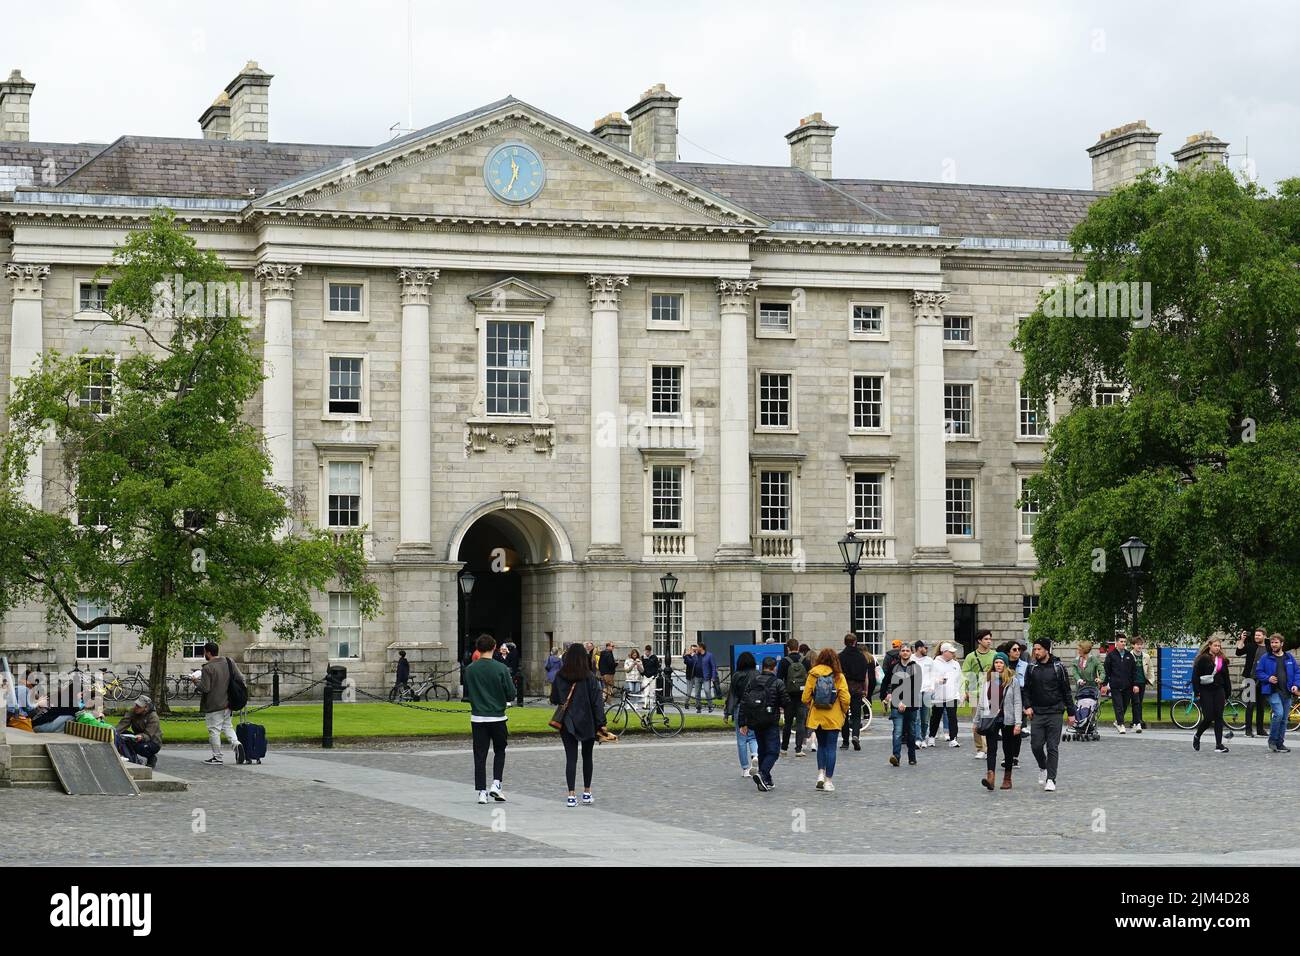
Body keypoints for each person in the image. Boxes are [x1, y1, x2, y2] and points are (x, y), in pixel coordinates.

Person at [549, 643, 610, 806]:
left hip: (567, 720)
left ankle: (571, 794)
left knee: (571, 758)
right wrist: (602, 723)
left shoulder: (560, 675)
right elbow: (597, 703)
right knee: (587, 756)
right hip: (587, 720)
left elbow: (554, 698)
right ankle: (587, 792)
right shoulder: (589, 677)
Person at [464, 633, 515, 803]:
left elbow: (468, 693)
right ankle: (496, 783)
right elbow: (511, 693)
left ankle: (481, 792)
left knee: (479, 755)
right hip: (497, 717)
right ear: (494, 647)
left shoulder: (470, 669)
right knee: (499, 750)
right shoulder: (501, 668)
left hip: (478, 717)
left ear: (478, 648)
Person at [1023, 637, 1076, 792]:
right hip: (1038, 712)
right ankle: (1042, 766)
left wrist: (1071, 713)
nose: (1036, 652)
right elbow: (1026, 690)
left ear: (1047, 650)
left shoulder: (1058, 667)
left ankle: (1051, 779)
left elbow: (1066, 691)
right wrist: (1027, 706)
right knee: (1036, 745)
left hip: (1055, 711)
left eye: (1039, 649)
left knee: (1053, 746)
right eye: (1035, 649)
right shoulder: (1031, 667)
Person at [802, 648, 850, 791]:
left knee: (821, 746)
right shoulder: (838, 676)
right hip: (833, 716)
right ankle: (829, 780)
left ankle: (820, 775)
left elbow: (805, 697)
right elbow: (845, 698)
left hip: (817, 716)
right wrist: (843, 709)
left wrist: (812, 704)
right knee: (831, 748)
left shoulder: (813, 674)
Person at [738, 656, 786, 791]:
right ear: (774, 667)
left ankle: (767, 780)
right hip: (770, 720)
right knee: (774, 751)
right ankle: (763, 773)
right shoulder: (777, 682)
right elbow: (785, 701)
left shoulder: (753, 682)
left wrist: (742, 722)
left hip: (755, 720)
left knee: (762, 749)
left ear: (762, 666)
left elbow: (744, 702)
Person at [976, 654, 1022, 791]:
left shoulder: (1012, 681)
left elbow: (1017, 702)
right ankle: (990, 777)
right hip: (992, 717)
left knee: (1008, 749)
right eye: (996, 662)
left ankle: (1007, 778)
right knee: (991, 749)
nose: (998, 665)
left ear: (1005, 664)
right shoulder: (990, 680)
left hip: (1007, 718)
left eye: (1001, 662)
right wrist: (976, 721)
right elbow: (981, 701)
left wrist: (1018, 723)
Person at [196, 642, 245, 765]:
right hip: (228, 702)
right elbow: (240, 678)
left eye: (204, 652)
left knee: (214, 730)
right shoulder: (229, 661)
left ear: (208, 652)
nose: (204, 654)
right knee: (228, 727)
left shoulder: (207, 668)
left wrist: (195, 682)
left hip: (213, 704)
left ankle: (217, 757)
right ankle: (237, 744)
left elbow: (205, 688)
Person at [1256, 633, 1299, 753]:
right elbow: (1259, 672)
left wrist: (1296, 685)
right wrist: (1268, 678)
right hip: (1272, 691)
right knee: (1279, 714)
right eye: (1272, 642)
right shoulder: (1266, 657)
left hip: (1287, 692)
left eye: (1276, 642)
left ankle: (1280, 743)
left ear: (1282, 644)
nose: (1273, 645)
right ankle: (1272, 741)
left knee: (1284, 719)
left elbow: (1297, 672)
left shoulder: (1289, 657)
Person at [1192, 637, 1232, 754]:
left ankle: (1219, 744)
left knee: (1219, 717)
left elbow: (1226, 677)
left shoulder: (1222, 660)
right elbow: (1195, 676)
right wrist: (1197, 692)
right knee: (1208, 717)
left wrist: (1228, 692)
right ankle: (1197, 735)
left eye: (1219, 646)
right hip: (1205, 690)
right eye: (1215, 645)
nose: (1217, 648)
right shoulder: (1202, 659)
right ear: (1209, 645)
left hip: (1219, 690)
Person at [884, 643, 922, 767]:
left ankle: (912, 757)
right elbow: (889, 684)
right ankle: (896, 756)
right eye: (903, 650)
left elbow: (916, 687)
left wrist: (905, 702)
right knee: (897, 732)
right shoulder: (894, 667)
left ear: (911, 653)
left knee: (911, 732)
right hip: (896, 703)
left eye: (907, 650)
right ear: (899, 652)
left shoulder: (916, 667)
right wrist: (890, 696)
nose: (905, 652)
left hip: (911, 705)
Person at [725, 652, 760, 778]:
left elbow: (732, 695)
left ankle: (745, 768)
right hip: (754, 707)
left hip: (740, 707)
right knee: (753, 736)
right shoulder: (757, 674)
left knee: (741, 739)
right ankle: (755, 754)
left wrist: (727, 712)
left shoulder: (737, 675)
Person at [962, 630, 996, 758]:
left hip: (992, 692)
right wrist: (965, 692)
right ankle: (980, 748)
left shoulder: (995, 655)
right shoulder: (971, 656)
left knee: (991, 720)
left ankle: (989, 747)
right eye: (986, 639)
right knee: (977, 721)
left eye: (990, 639)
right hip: (975, 692)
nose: (989, 641)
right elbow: (965, 674)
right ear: (979, 641)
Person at [777, 639, 810, 756]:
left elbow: (779, 680)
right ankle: (798, 749)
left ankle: (784, 748)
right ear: (798, 647)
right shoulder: (805, 661)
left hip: (788, 696)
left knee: (788, 723)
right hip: (802, 696)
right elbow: (810, 679)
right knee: (801, 722)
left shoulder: (784, 662)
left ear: (788, 648)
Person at [839, 633, 869, 751]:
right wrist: (865, 689)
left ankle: (845, 741)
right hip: (857, 687)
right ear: (855, 642)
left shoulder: (840, 656)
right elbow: (865, 676)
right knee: (856, 715)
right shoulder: (861, 657)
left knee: (844, 715)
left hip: (844, 687)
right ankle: (855, 735)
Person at [1236, 628, 1268, 737]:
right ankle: (1248, 730)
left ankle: (1260, 729)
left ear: (1264, 636)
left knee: (1261, 705)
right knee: (1250, 705)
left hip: (1264, 680)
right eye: (1255, 635)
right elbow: (1238, 652)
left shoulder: (1269, 648)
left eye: (1259, 635)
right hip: (1250, 678)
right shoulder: (1251, 646)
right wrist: (1242, 640)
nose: (1256, 637)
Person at [114, 695, 162, 768]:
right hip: (137, 737)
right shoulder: (132, 711)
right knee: (121, 735)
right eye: (136, 705)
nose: (136, 707)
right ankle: (131, 758)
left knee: (139, 747)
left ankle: (151, 757)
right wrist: (114, 732)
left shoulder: (153, 717)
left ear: (146, 707)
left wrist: (141, 737)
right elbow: (123, 724)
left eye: (139, 706)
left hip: (152, 741)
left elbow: (148, 734)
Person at [1104, 635, 1138, 733]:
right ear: (1116, 642)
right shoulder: (1111, 655)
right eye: (1121, 641)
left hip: (1127, 685)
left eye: (1124, 642)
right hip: (1115, 685)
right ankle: (1121, 724)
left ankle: (1117, 721)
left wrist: (1135, 684)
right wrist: (1105, 684)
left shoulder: (1129, 655)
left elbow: (1134, 671)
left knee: (1124, 705)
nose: (1123, 643)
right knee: (1118, 705)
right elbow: (1107, 671)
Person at [929, 643, 962, 747]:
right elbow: (929, 678)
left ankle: (953, 739)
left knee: (952, 717)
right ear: (944, 652)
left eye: (953, 651)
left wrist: (960, 694)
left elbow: (959, 679)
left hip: (952, 695)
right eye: (950, 651)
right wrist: (938, 681)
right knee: (936, 717)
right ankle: (931, 737)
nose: (953, 653)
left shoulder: (955, 664)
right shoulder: (934, 663)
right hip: (938, 695)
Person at [913, 640, 935, 748]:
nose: (926, 650)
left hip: (927, 690)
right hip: (915, 690)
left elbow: (933, 675)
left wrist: (932, 688)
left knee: (925, 717)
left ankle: (923, 737)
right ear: (919, 648)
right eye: (925, 648)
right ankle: (918, 738)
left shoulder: (930, 660)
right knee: (916, 716)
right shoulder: (911, 659)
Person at [690, 643, 717, 714]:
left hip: (706, 677)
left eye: (697, 647)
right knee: (697, 694)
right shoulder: (696, 655)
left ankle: (710, 706)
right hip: (697, 677)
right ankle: (698, 707)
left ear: (701, 648)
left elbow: (713, 667)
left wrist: (713, 676)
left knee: (707, 691)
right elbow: (691, 663)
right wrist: (689, 655)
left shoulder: (709, 655)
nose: (696, 648)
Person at [1131, 637, 1149, 732]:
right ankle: (1137, 723)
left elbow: (1150, 669)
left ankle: (1135, 722)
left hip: (1142, 682)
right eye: (1137, 644)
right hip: (1134, 683)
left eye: (1141, 644)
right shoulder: (1129, 655)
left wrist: (1150, 680)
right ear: (1133, 645)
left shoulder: (1146, 656)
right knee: (1136, 702)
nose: (1139, 646)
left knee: (1139, 703)